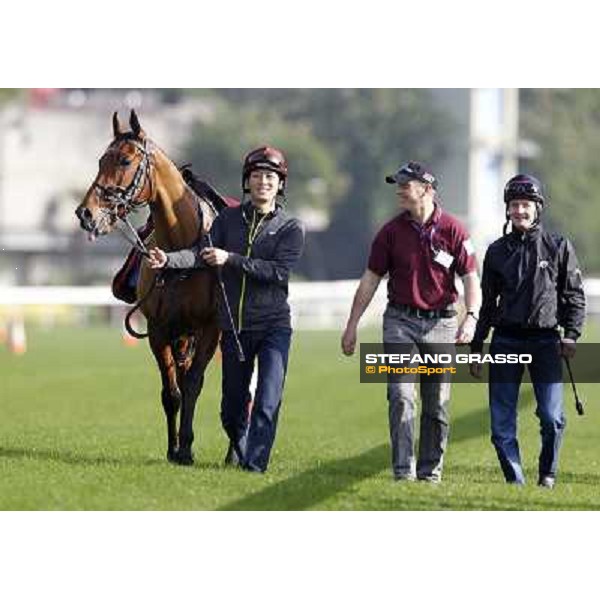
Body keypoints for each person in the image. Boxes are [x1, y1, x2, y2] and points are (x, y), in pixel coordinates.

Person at [147, 146, 305, 473]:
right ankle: (241, 445)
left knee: (266, 400)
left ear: (280, 184)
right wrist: (168, 260)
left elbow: (278, 273)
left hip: (274, 326)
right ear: (247, 182)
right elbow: (200, 253)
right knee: (232, 412)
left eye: (270, 177)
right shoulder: (227, 221)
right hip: (234, 328)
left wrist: (231, 259)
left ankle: (253, 465)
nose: (263, 182)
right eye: (257, 176)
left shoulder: (291, 228)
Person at [341, 161, 481, 483]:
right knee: (402, 395)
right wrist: (352, 325)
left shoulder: (454, 230)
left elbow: (471, 279)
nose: (399, 191)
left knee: (436, 404)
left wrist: (471, 316)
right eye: (398, 185)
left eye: (406, 185)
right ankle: (403, 472)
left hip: (442, 325)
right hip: (400, 322)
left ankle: (430, 473)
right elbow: (369, 280)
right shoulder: (390, 232)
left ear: (427, 190)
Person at [470, 174, 585, 489]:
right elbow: (487, 306)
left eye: (526, 205)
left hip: (546, 341)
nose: (520, 211)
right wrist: (477, 347)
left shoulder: (558, 247)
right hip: (506, 342)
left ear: (537, 209)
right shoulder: (495, 252)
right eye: (514, 205)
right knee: (501, 424)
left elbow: (574, 296)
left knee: (551, 417)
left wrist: (571, 334)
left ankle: (547, 473)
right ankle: (516, 482)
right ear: (507, 210)